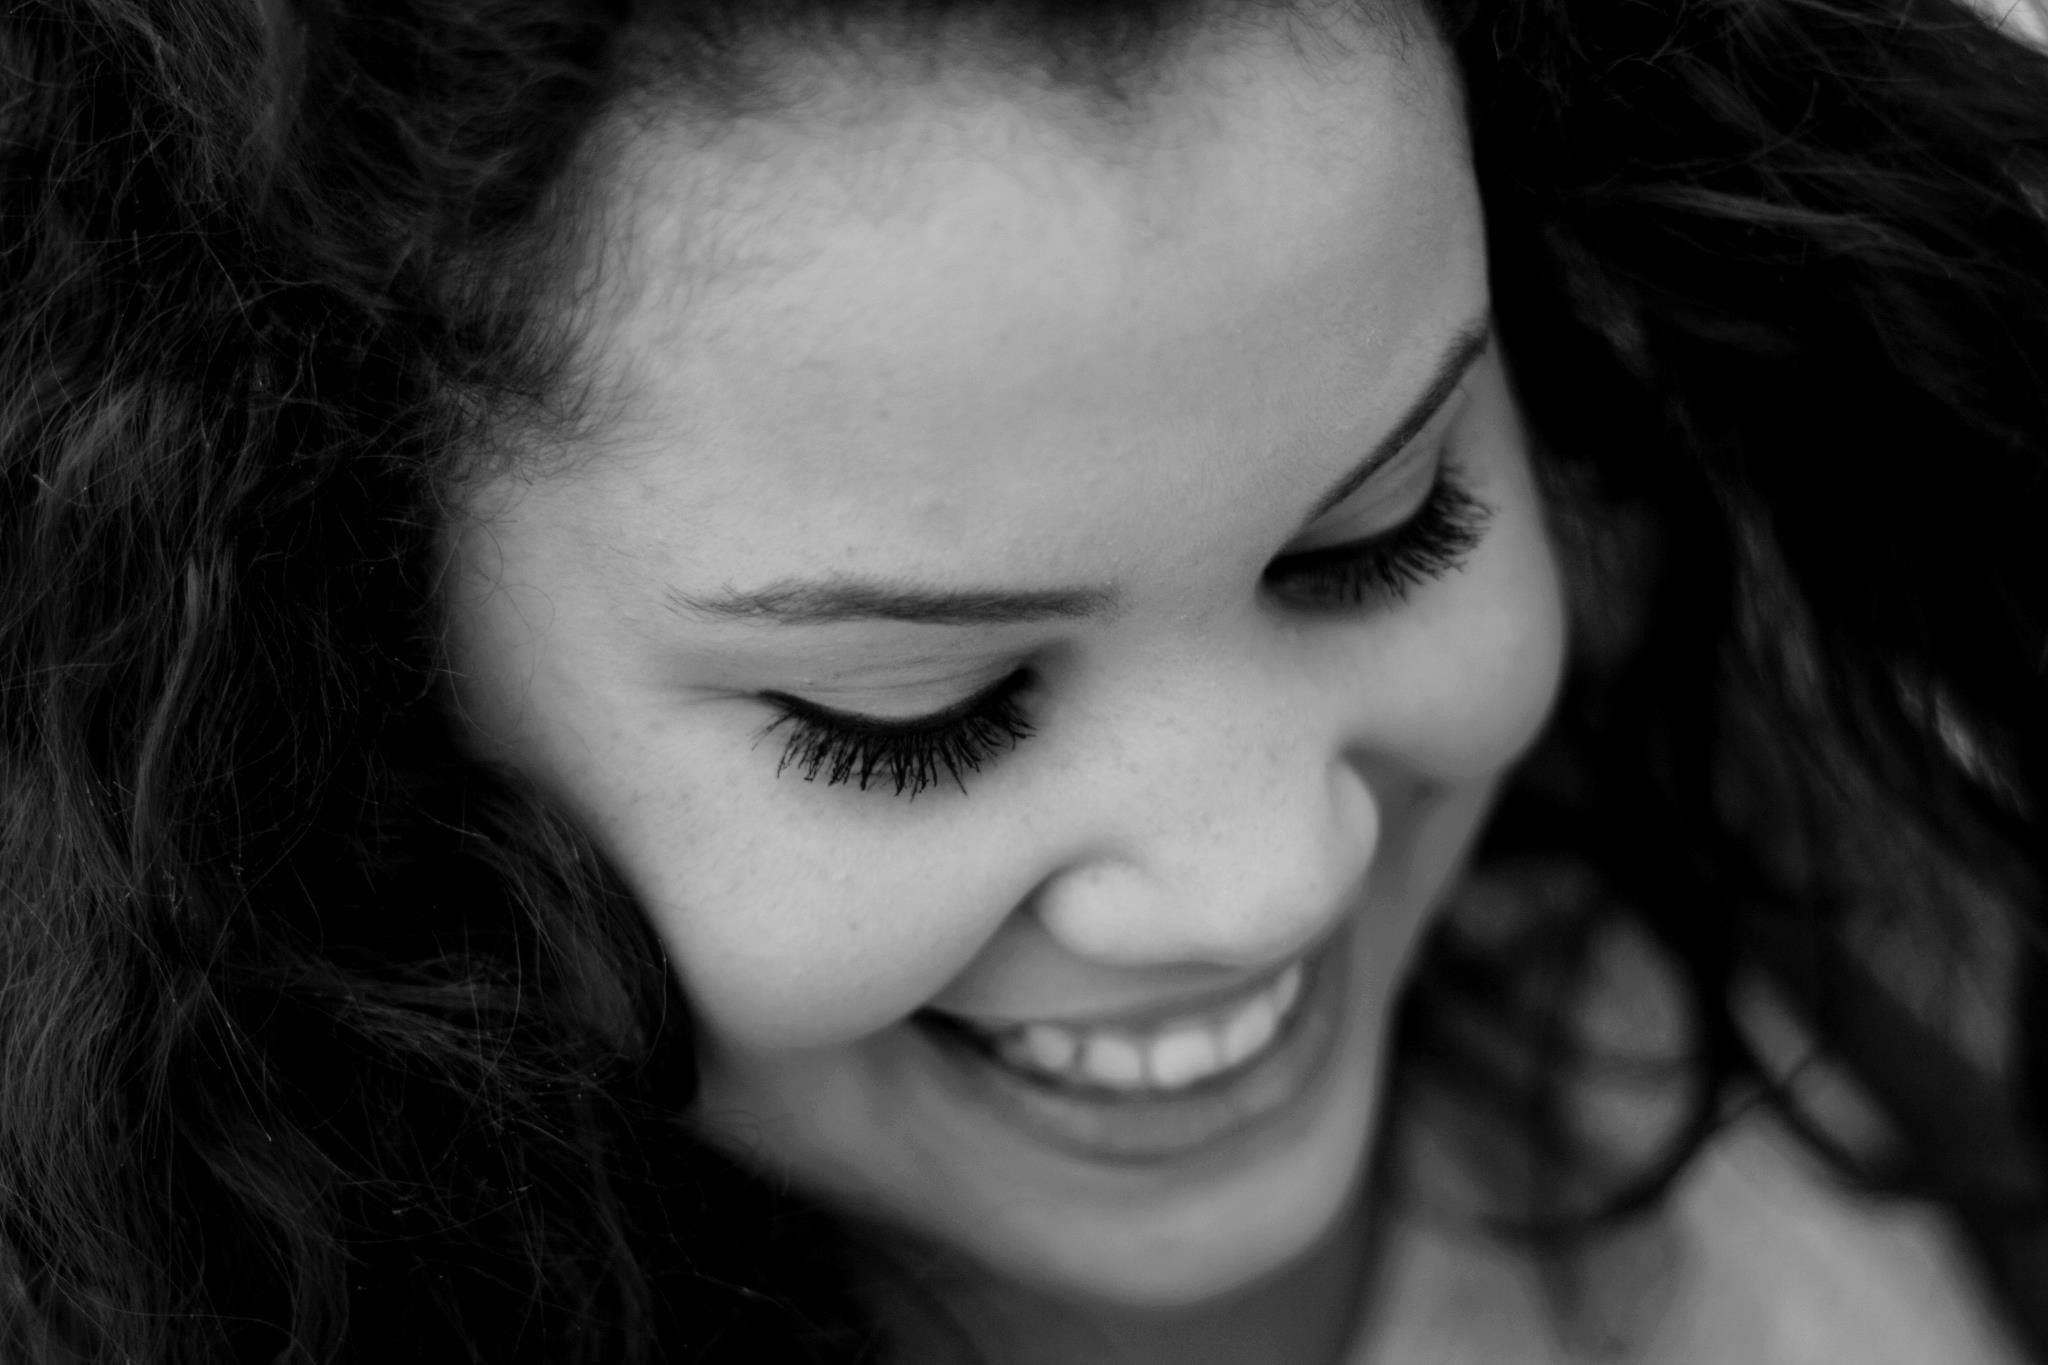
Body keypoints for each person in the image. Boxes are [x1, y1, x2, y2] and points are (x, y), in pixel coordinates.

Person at [3, 0, 2046, 1360]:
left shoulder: (1851, 843)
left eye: (1386, 528)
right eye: (917, 713)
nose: (1270, 871)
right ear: (341, 671)